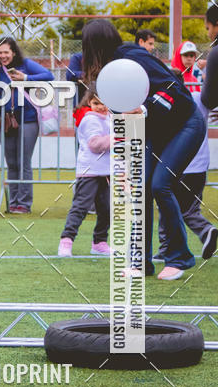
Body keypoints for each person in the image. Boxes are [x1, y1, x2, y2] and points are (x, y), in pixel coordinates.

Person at [82, 19, 205, 280]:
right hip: (153, 131)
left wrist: (146, 108)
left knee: (161, 185)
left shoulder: (131, 55)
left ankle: (179, 257)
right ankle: (140, 262)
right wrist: (128, 162)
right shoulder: (108, 73)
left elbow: (173, 86)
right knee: (140, 190)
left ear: (95, 45)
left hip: (185, 122)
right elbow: (123, 115)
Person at [155, 45, 217, 262]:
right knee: (187, 206)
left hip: (179, 165)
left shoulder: (166, 104)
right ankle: (167, 247)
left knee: (172, 207)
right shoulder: (200, 97)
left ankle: (204, 230)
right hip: (199, 165)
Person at [0, 36, 51, 214]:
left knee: (23, 161)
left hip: (28, 119)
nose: (3, 56)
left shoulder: (26, 64)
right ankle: (13, 202)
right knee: (11, 162)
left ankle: (24, 204)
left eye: (6, 52)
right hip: (5, 120)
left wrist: (25, 78)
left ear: (13, 52)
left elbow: (48, 75)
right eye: (0, 52)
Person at [58, 91, 111, 257]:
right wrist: (119, 137)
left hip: (106, 172)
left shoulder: (110, 118)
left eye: (104, 103)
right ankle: (66, 241)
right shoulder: (89, 119)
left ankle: (99, 242)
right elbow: (95, 144)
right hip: (89, 172)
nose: (101, 107)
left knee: (107, 209)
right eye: (96, 103)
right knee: (81, 207)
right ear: (89, 103)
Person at [201, 3, 218, 111]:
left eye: (208, 28)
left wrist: (207, 78)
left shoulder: (215, 53)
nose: (208, 33)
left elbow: (208, 100)